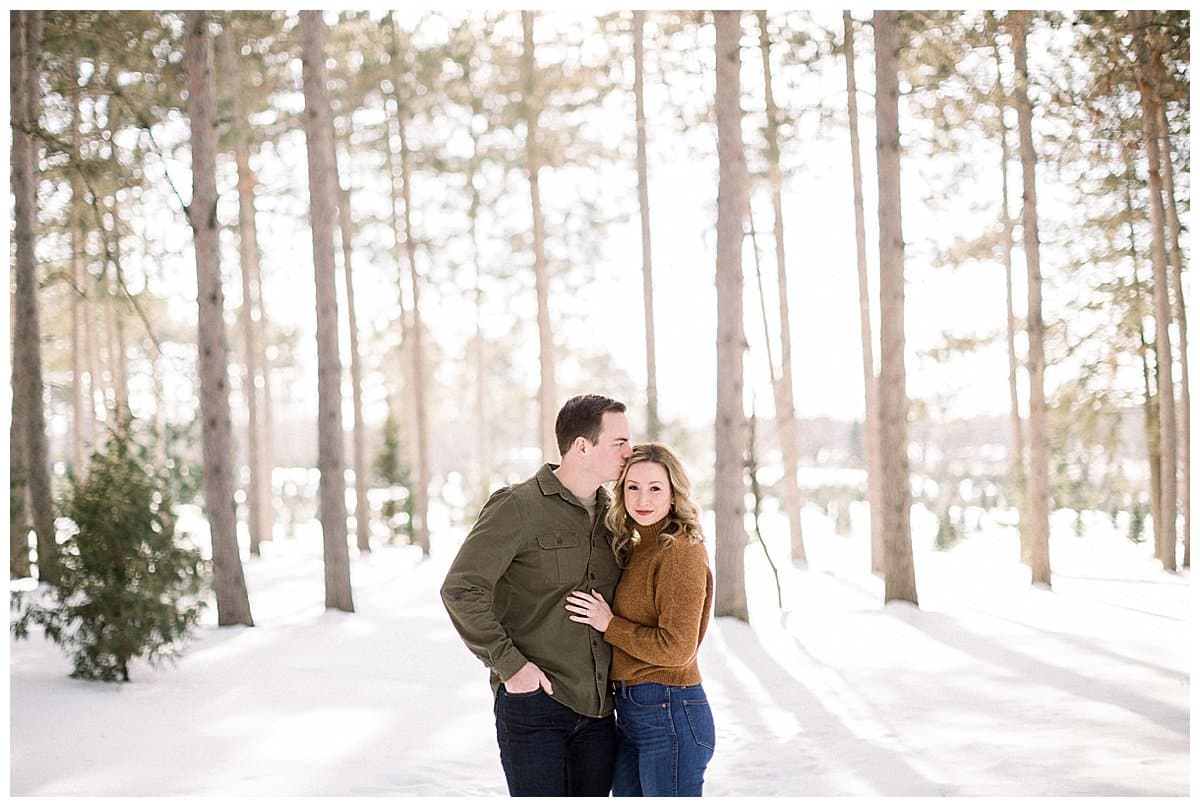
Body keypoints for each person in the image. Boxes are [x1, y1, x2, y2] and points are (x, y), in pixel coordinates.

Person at [441, 394, 633, 797]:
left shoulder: (614, 515)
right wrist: (513, 669)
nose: (629, 452)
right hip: (536, 706)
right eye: (619, 442)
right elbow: (462, 589)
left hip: (599, 712)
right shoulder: (518, 506)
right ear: (582, 446)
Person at [565, 442, 716, 797]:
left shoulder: (680, 550)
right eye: (632, 487)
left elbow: (678, 648)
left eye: (655, 488)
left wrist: (610, 625)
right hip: (635, 713)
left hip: (671, 712)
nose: (642, 499)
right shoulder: (638, 546)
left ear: (674, 494)